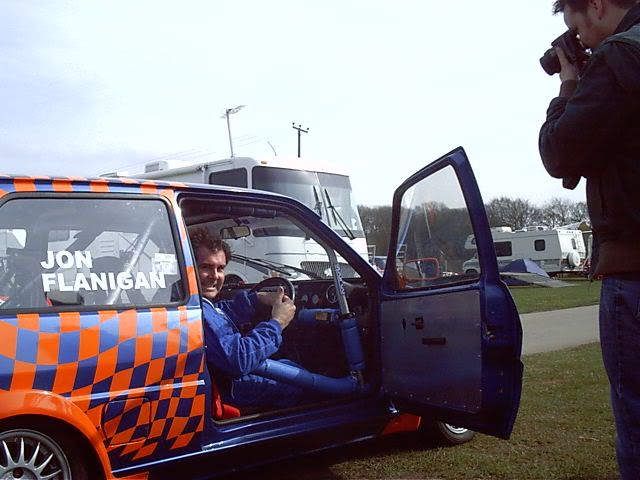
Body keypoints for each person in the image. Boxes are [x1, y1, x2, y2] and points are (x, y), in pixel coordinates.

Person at [538, 1, 640, 477]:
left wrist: (569, 85)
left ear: (596, 4)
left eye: (575, 25)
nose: (580, 38)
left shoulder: (620, 57)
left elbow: (560, 152)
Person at [190, 227, 306, 410]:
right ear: (188, 268)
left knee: (289, 366)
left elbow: (221, 311)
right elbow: (239, 359)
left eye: (220, 268)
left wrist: (256, 299)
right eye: (206, 267)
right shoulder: (196, 310)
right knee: (300, 383)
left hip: (221, 380)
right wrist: (278, 322)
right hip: (231, 388)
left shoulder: (191, 300)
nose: (214, 276)